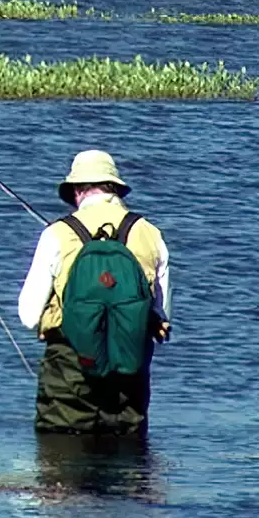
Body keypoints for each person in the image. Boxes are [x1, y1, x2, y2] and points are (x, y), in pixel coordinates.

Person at [16, 149, 171, 436]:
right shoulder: (151, 233)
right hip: (131, 364)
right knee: (128, 461)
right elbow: (161, 313)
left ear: (77, 190)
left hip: (70, 363)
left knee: (64, 457)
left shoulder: (57, 233)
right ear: (115, 188)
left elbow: (28, 315)